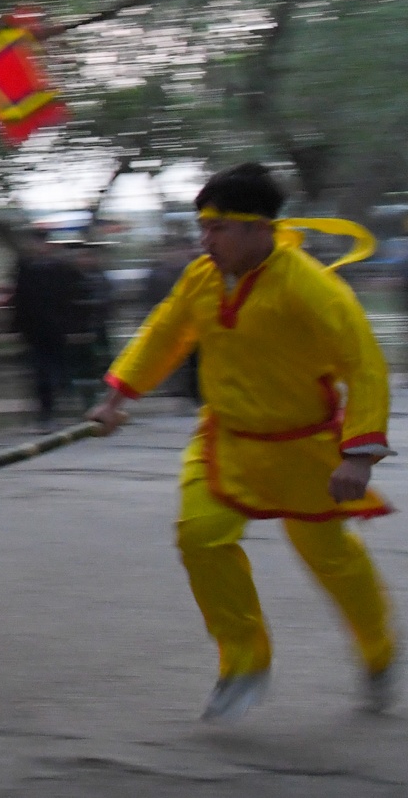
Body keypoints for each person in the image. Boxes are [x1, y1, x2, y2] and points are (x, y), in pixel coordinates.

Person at [88, 162, 396, 722]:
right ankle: (244, 661)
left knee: (330, 559)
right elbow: (165, 332)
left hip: (303, 447)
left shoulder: (312, 288)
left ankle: (379, 651)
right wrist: (118, 397)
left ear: (261, 228)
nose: (205, 239)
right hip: (224, 438)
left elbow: (366, 366)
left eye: (218, 227)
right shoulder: (200, 277)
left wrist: (358, 454)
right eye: (202, 225)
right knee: (199, 537)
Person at [13, 233, 84, 424]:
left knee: (58, 366)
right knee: (41, 371)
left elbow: (71, 298)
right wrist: (19, 326)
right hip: (35, 330)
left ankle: (61, 395)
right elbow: (19, 299)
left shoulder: (61, 269)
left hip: (57, 328)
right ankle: (46, 410)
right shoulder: (25, 269)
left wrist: (71, 324)